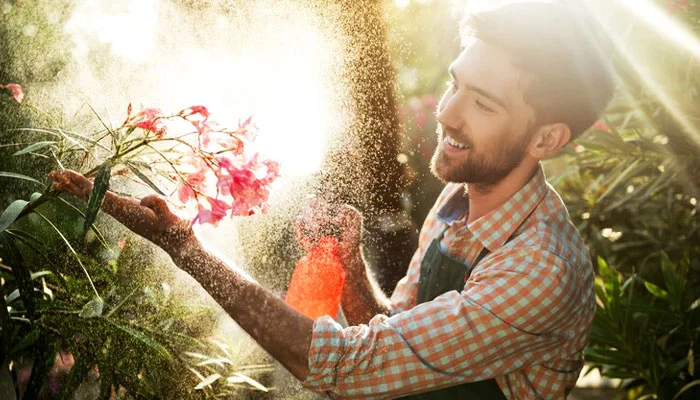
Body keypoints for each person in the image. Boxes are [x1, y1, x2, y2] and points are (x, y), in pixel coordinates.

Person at [49, 1, 615, 398]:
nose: (446, 112)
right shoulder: (458, 198)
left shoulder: (539, 270)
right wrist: (351, 273)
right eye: (454, 83)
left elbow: (349, 368)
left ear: (546, 139)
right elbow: (403, 334)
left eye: (483, 104)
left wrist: (185, 247)